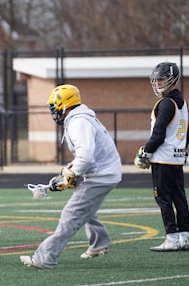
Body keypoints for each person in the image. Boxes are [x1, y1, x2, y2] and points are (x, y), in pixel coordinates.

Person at [20, 84, 122, 269]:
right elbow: (86, 156)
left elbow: (86, 155)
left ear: (64, 104)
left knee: (71, 214)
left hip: (102, 174)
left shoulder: (78, 122)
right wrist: (70, 170)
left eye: (54, 106)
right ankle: (100, 242)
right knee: (86, 209)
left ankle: (44, 258)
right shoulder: (79, 119)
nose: (53, 111)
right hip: (105, 171)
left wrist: (71, 174)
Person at [134, 62, 189, 252]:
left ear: (172, 79)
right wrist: (184, 151)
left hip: (162, 159)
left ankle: (171, 239)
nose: (158, 83)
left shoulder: (166, 103)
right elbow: (186, 133)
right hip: (176, 159)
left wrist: (145, 152)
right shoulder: (182, 102)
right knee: (179, 198)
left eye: (162, 79)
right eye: (156, 79)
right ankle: (183, 238)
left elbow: (159, 134)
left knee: (163, 199)